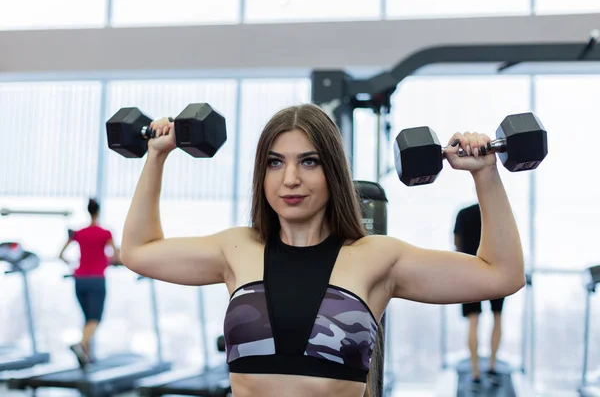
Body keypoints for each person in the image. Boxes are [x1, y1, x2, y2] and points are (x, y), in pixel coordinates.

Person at [120, 104, 525, 397]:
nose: (290, 179)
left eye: (309, 162)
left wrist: (485, 173)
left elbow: (501, 274)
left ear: (333, 171)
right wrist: (157, 155)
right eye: (275, 163)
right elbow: (138, 250)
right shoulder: (236, 248)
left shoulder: (375, 257)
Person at [59, 198, 119, 368]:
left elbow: (61, 254)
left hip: (79, 280)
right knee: (94, 320)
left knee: (87, 320)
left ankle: (86, 356)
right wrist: (106, 261)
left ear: (88, 211)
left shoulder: (79, 233)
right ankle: (80, 344)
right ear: (98, 212)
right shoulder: (105, 233)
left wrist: (72, 265)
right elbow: (114, 256)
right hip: (96, 280)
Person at [454, 203, 504, 390]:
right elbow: (507, 240)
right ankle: (491, 367)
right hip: (496, 268)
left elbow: (457, 242)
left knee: (473, 321)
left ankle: (476, 373)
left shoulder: (464, 213)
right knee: (497, 317)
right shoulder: (498, 211)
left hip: (470, 268)